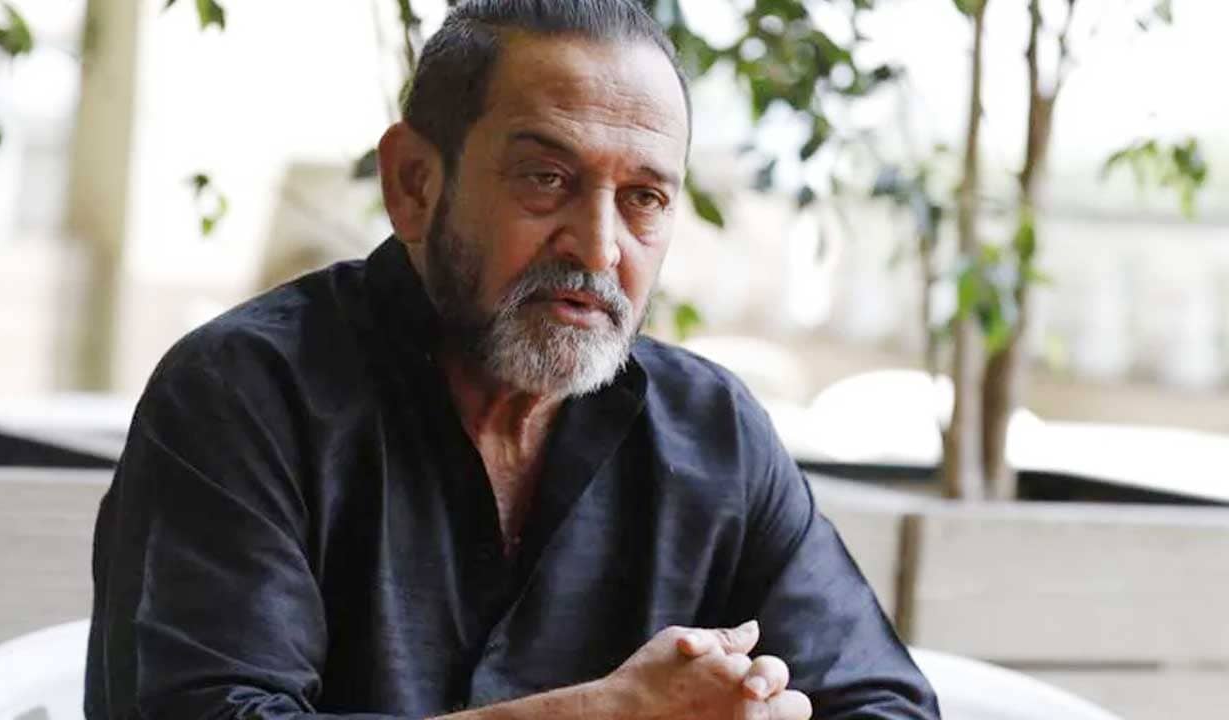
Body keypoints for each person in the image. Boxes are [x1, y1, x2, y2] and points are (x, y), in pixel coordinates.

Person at [85, 1, 939, 718]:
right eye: (545, 179)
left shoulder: (715, 435)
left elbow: (884, 703)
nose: (598, 248)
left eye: (643, 199)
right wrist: (603, 714)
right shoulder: (242, 395)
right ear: (414, 184)